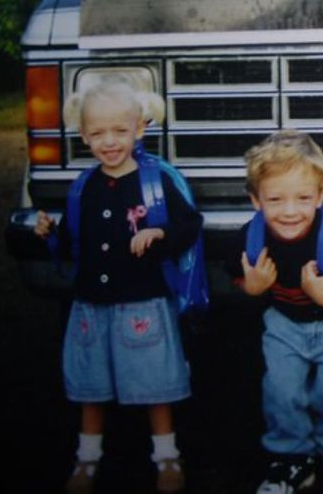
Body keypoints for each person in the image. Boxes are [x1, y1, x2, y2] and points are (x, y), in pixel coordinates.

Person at [34, 79, 203, 494]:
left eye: (120, 131)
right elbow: (75, 243)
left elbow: (189, 224)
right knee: (91, 385)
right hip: (91, 304)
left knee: (155, 383)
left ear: (139, 129)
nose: (109, 142)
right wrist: (51, 233)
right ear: (83, 135)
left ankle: (166, 454)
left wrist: (160, 233)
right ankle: (87, 457)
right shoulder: (83, 187)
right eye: (97, 133)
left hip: (144, 303)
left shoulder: (156, 182)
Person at [232, 130, 323, 494]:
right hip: (285, 322)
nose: (290, 211)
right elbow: (237, 276)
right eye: (275, 199)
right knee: (281, 391)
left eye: (303, 198)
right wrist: (253, 287)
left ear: (321, 194)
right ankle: (291, 457)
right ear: (255, 199)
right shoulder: (250, 238)